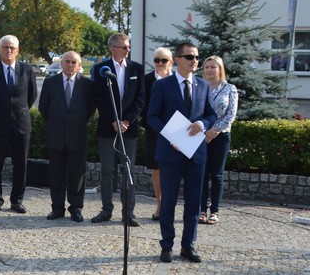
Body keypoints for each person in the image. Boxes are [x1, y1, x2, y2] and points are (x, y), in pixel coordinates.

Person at [147, 41, 216, 263]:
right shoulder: (163, 85)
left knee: (194, 202)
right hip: (170, 153)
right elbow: (152, 117)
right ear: (177, 60)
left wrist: (203, 124)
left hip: (196, 153)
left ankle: (188, 245)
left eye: (196, 57)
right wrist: (171, 136)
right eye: (189, 57)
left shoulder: (203, 86)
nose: (195, 61)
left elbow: (211, 115)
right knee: (168, 202)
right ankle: (166, 245)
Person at [91, 32, 145, 227]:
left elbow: (140, 98)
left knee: (127, 170)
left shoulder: (136, 69)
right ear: (113, 48)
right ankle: (106, 210)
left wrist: (127, 120)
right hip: (107, 128)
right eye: (124, 47)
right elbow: (98, 98)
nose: (128, 49)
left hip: (128, 129)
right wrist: (113, 119)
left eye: (129, 46)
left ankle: (128, 212)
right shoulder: (100, 69)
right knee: (107, 171)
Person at [0, 35, 37, 214]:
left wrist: (18, 112)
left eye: (12, 48)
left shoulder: (27, 70)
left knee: (21, 165)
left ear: (18, 50)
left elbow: (31, 97)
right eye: (5, 47)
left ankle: (17, 200)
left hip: (21, 125)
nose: (9, 50)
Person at [38, 51, 95, 222]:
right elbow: (43, 107)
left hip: (78, 136)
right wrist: (57, 122)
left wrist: (78, 122)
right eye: (67, 62)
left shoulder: (87, 84)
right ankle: (57, 208)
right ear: (61, 63)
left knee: (77, 176)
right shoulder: (50, 83)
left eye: (74, 62)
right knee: (56, 174)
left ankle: (76, 208)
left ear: (79, 65)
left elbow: (91, 109)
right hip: (56, 136)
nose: (70, 65)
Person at [200, 55, 238, 226]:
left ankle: (214, 210)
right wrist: (205, 131)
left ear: (220, 69)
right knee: (201, 174)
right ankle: (201, 209)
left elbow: (231, 114)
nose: (209, 70)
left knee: (216, 174)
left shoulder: (230, 88)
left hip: (221, 136)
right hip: (200, 135)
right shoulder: (199, 87)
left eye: (213, 67)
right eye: (206, 67)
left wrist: (215, 131)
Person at [141, 47, 173, 221]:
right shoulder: (146, 80)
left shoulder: (177, 80)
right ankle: (160, 206)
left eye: (164, 60)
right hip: (154, 130)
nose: (160, 63)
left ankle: (170, 206)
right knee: (157, 169)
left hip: (175, 130)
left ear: (171, 62)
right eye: (157, 60)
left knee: (174, 168)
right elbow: (142, 105)